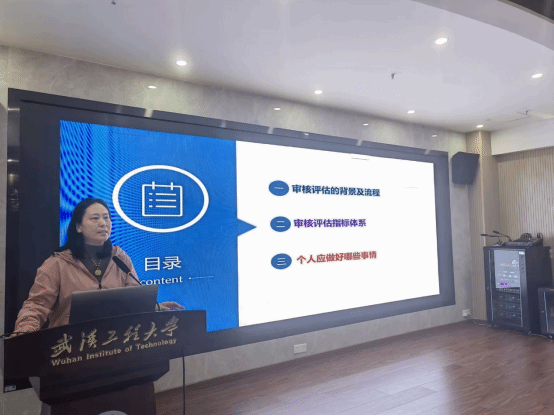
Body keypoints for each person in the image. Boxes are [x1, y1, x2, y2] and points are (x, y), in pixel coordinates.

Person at [13, 198, 184, 335]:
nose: (103, 223)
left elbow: (132, 299)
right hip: (71, 347)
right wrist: (24, 331)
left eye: (106, 217)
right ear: (78, 226)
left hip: (116, 342)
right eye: (95, 218)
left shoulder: (120, 257)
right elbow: (37, 305)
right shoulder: (57, 263)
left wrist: (155, 306)